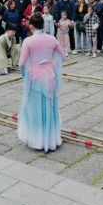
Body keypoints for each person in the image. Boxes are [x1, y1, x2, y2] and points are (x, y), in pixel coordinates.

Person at [17, 12, 65, 151]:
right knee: (49, 106)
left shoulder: (28, 41)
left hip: (34, 76)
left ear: (31, 26)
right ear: (44, 25)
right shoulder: (52, 39)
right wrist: (53, 68)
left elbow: (21, 63)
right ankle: (50, 138)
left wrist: (24, 74)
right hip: (49, 75)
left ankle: (36, 138)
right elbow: (62, 57)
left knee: (35, 108)